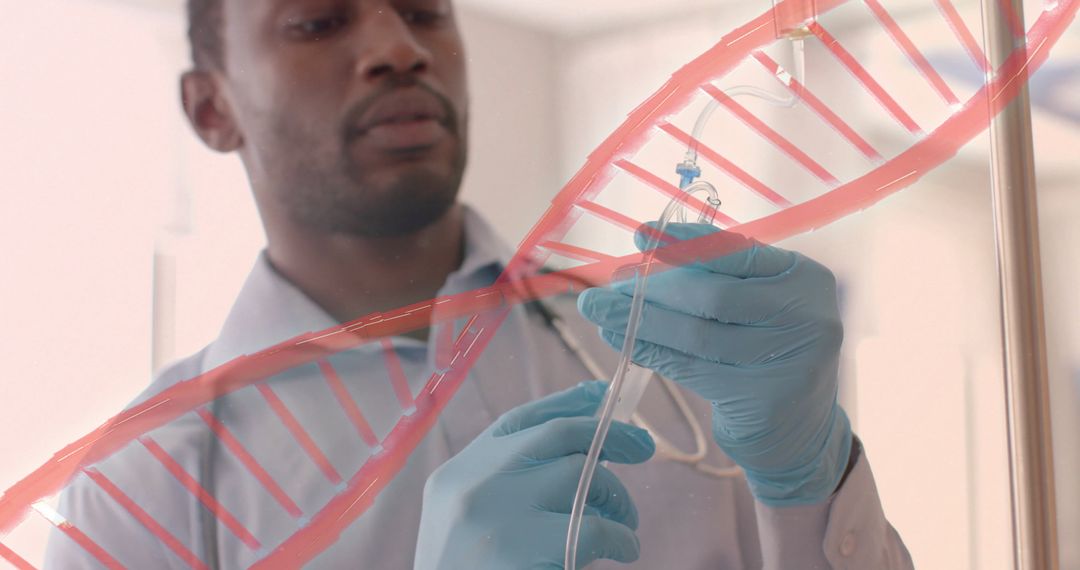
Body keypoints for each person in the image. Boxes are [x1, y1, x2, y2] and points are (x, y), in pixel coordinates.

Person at [45, 0, 913, 568]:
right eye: (318, 21)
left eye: (426, 10)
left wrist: (813, 482)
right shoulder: (149, 482)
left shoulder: (671, 359)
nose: (396, 47)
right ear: (212, 108)